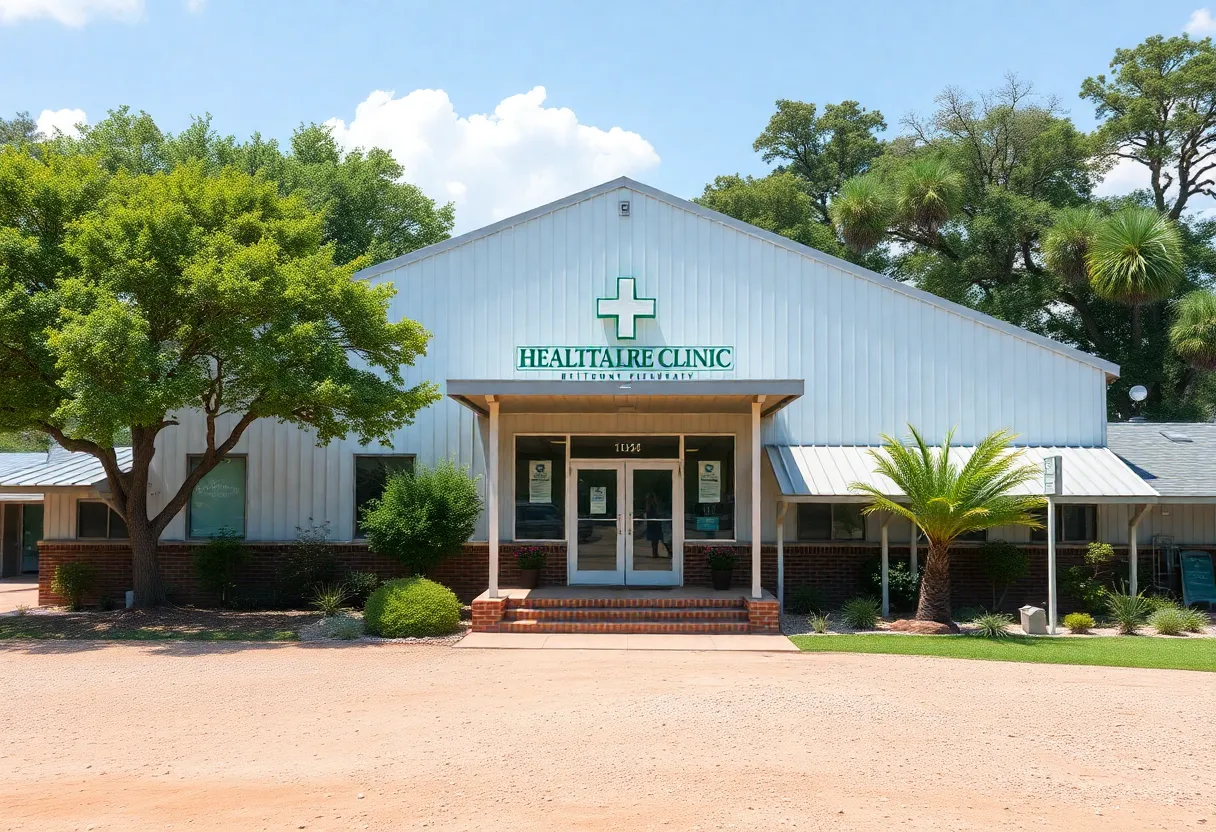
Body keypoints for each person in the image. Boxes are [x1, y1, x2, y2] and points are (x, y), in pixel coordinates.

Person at [644, 492, 670, 558]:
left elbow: (657, 513)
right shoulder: (650, 505)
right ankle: (655, 554)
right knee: (655, 540)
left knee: (660, 539)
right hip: (652, 524)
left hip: (655, 524)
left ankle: (670, 552)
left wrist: (660, 516)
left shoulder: (654, 505)